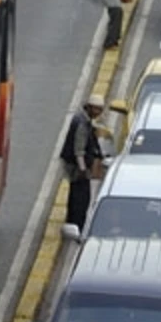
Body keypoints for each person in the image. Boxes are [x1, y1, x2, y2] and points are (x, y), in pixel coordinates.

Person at [60, 94, 105, 230]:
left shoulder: (82, 119)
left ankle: (72, 222)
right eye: (96, 109)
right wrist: (83, 169)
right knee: (81, 198)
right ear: (90, 108)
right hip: (77, 168)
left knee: (75, 196)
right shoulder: (82, 124)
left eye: (100, 110)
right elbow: (79, 150)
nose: (98, 113)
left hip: (76, 166)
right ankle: (77, 225)